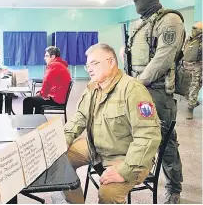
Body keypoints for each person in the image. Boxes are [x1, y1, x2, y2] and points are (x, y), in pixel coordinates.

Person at [63, 43, 161, 203]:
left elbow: (148, 137)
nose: (90, 69)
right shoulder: (93, 87)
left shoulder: (133, 89)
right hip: (96, 147)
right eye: (88, 65)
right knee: (62, 162)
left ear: (111, 62)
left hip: (126, 155)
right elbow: (80, 116)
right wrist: (65, 139)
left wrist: (125, 170)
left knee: (108, 193)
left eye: (95, 63)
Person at [126, 0, 185, 203]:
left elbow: (163, 59)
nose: (135, 1)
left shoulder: (170, 21)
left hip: (159, 93)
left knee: (165, 142)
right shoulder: (139, 25)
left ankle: (174, 187)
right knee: (138, 136)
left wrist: (136, 84)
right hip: (139, 90)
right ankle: (142, 172)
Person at [23, 46, 71, 114]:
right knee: (37, 101)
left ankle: (27, 124)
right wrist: (42, 93)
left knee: (27, 101)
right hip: (60, 98)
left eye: (46, 56)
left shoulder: (54, 65)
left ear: (53, 56)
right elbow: (50, 84)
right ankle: (38, 121)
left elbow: (46, 82)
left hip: (56, 99)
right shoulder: (60, 65)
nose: (44, 58)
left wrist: (42, 94)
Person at [182, 22, 202, 119]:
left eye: (196, 29)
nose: (193, 30)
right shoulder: (189, 39)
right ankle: (192, 101)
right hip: (186, 67)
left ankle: (190, 109)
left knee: (194, 88)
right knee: (186, 89)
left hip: (197, 68)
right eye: (193, 28)